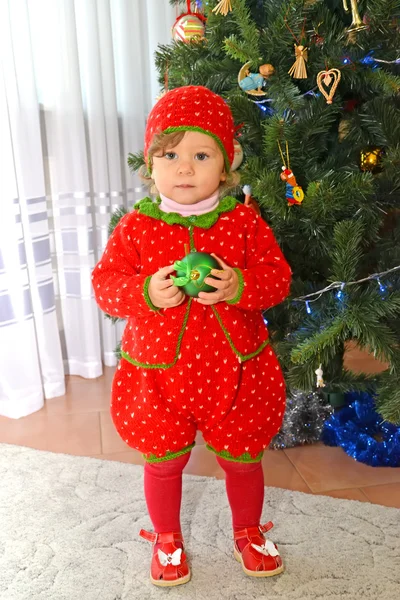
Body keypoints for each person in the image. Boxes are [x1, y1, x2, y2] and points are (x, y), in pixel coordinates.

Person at [92, 85, 292, 587]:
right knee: (162, 462)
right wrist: (144, 292)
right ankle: (166, 538)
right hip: (159, 374)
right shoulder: (137, 226)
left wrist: (238, 283)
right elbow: (105, 285)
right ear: (150, 166)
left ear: (224, 168)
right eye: (171, 154)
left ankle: (248, 530)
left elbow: (277, 277)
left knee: (243, 460)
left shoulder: (243, 221)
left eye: (201, 155)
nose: (185, 168)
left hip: (236, 369)